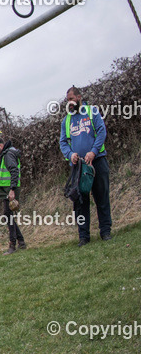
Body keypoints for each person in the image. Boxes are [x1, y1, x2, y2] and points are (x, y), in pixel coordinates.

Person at [59, 86, 111, 246]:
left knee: (101, 197)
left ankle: (105, 231)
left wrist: (93, 152)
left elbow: (101, 132)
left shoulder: (92, 112)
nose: (69, 102)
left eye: (71, 99)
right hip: (79, 168)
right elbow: (63, 142)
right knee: (80, 202)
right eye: (67, 100)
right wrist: (70, 154)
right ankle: (84, 236)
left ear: (79, 97)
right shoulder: (66, 120)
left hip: (97, 162)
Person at [0, 138, 25, 254]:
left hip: (10, 189)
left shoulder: (8, 154)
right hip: (7, 189)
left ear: (1, 146)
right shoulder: (8, 152)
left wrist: (12, 190)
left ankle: (12, 245)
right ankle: (21, 242)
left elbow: (14, 171)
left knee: (8, 216)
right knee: (8, 215)